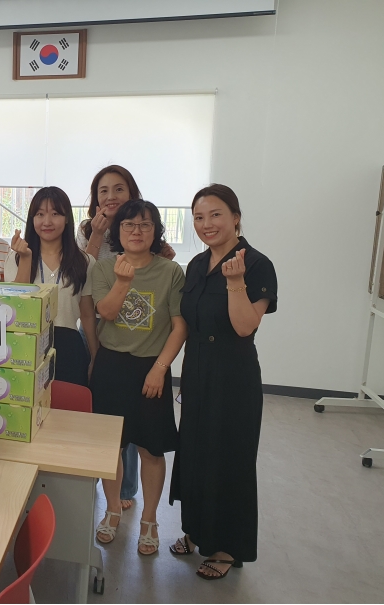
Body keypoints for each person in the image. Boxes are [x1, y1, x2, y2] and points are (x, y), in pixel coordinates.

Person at [168, 184, 277, 580]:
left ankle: (228, 547)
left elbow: (245, 326)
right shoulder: (197, 264)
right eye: (198, 217)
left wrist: (236, 282)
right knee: (195, 452)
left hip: (234, 377)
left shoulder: (258, 264)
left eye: (216, 215)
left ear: (235, 217)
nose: (207, 224)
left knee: (229, 459)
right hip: (197, 372)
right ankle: (196, 532)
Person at [90, 199, 187, 553]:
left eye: (145, 225)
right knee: (110, 445)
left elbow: (180, 326)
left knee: (151, 448)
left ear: (155, 231)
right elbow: (107, 312)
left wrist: (160, 369)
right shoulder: (104, 268)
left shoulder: (171, 272)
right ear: (118, 231)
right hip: (112, 365)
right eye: (129, 225)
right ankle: (113, 510)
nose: (136, 231)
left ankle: (150, 519)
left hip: (152, 368)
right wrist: (121, 280)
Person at [4, 186, 98, 386]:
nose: (47, 222)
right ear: (32, 219)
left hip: (69, 347)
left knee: (68, 410)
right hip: (28, 344)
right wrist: (26, 258)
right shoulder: (16, 257)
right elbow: (17, 304)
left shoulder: (85, 261)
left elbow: (87, 313)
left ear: (66, 219)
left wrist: (95, 355)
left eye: (55, 214)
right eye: (40, 214)